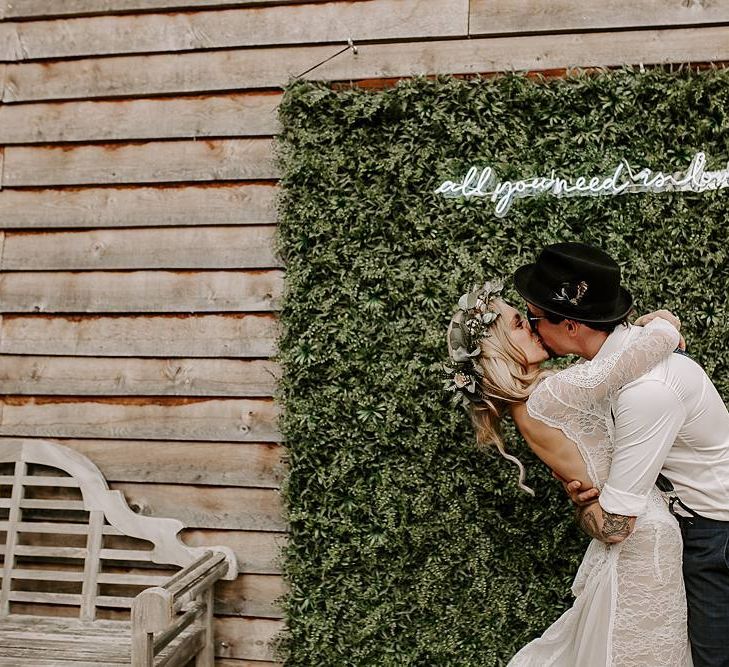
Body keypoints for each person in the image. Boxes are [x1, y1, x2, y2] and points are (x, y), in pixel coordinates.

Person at [445, 278, 690, 665]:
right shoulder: (552, 394)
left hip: (627, 538)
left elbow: (605, 365)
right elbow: (633, 357)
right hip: (644, 537)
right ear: (499, 349)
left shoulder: (532, 405)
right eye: (519, 324)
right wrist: (662, 324)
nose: (533, 323)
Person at [515, 242, 729, 667]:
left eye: (534, 320)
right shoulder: (623, 362)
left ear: (572, 325)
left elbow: (615, 525)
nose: (532, 330)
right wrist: (664, 323)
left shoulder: (647, 392)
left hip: (715, 536)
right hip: (691, 523)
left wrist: (585, 505)